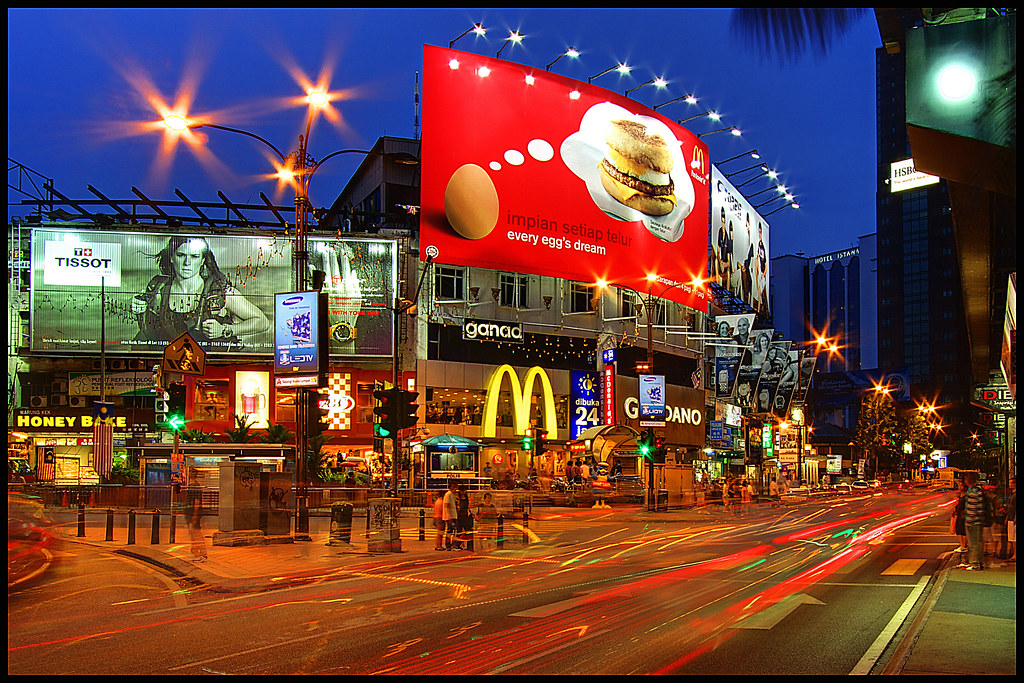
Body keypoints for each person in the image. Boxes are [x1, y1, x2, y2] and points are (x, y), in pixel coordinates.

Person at [131, 236, 269, 350]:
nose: (187, 263)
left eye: (194, 256)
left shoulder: (220, 293)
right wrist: (139, 309)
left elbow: (262, 322)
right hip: (171, 366)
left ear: (202, 260)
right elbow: (146, 334)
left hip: (213, 368)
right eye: (181, 255)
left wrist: (225, 330)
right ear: (171, 258)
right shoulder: (158, 290)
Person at [962, 471, 987, 570]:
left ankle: (975, 564)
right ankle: (978, 562)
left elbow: (973, 508)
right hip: (977, 520)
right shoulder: (978, 490)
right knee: (977, 542)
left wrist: (969, 519)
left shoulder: (973, 492)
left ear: (968, 480)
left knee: (973, 543)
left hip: (973, 521)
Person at [185, 467, 207, 562]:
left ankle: (200, 554)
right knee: (193, 534)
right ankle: (197, 552)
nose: (188, 473)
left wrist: (194, 515)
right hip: (191, 513)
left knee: (196, 534)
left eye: (190, 472)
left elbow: (197, 501)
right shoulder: (191, 485)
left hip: (194, 513)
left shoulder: (195, 486)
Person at [456, 484, 474, 551]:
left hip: (465, 516)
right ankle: (458, 544)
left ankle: (463, 544)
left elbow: (468, 507)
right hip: (460, 516)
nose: (463, 492)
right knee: (459, 531)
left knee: (467, 531)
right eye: (461, 490)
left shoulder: (466, 498)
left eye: (464, 490)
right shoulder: (458, 499)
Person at [442, 482, 459, 550]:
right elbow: (447, 506)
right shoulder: (448, 495)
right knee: (450, 531)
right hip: (450, 516)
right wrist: (449, 517)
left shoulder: (452, 495)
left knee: (453, 530)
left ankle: (451, 544)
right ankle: (448, 545)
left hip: (453, 515)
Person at [1006, 477, 1016, 562]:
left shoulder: (1015, 495)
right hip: (1010, 517)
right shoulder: (1012, 495)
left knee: (1014, 538)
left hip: (1013, 518)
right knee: (1012, 538)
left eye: (1011, 483)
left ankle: (1015, 555)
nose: (1010, 485)